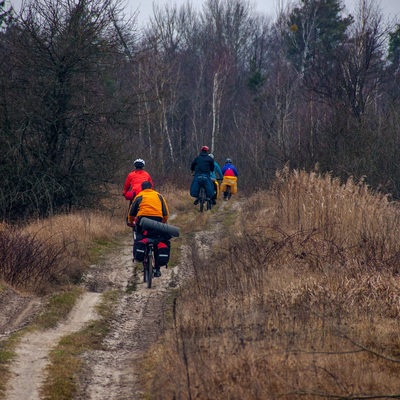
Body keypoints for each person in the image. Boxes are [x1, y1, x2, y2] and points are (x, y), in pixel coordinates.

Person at [128, 181, 169, 277]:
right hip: (157, 221)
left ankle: (142, 259)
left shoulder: (139, 196)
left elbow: (131, 213)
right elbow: (165, 213)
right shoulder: (159, 196)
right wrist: (162, 223)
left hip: (143, 221)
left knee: (141, 237)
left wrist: (131, 222)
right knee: (158, 240)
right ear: (151, 188)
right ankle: (157, 269)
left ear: (142, 188)